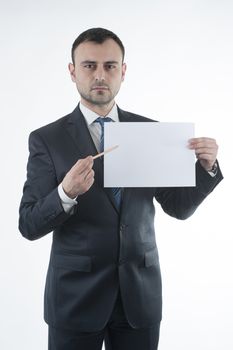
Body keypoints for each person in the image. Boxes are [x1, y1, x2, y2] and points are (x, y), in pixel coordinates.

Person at [19, 27, 223, 350]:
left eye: (110, 66)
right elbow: (28, 224)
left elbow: (178, 207)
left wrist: (206, 169)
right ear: (72, 72)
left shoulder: (149, 132)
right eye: (89, 66)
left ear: (123, 72)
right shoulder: (47, 139)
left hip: (139, 300)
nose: (100, 75)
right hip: (74, 300)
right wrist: (65, 193)